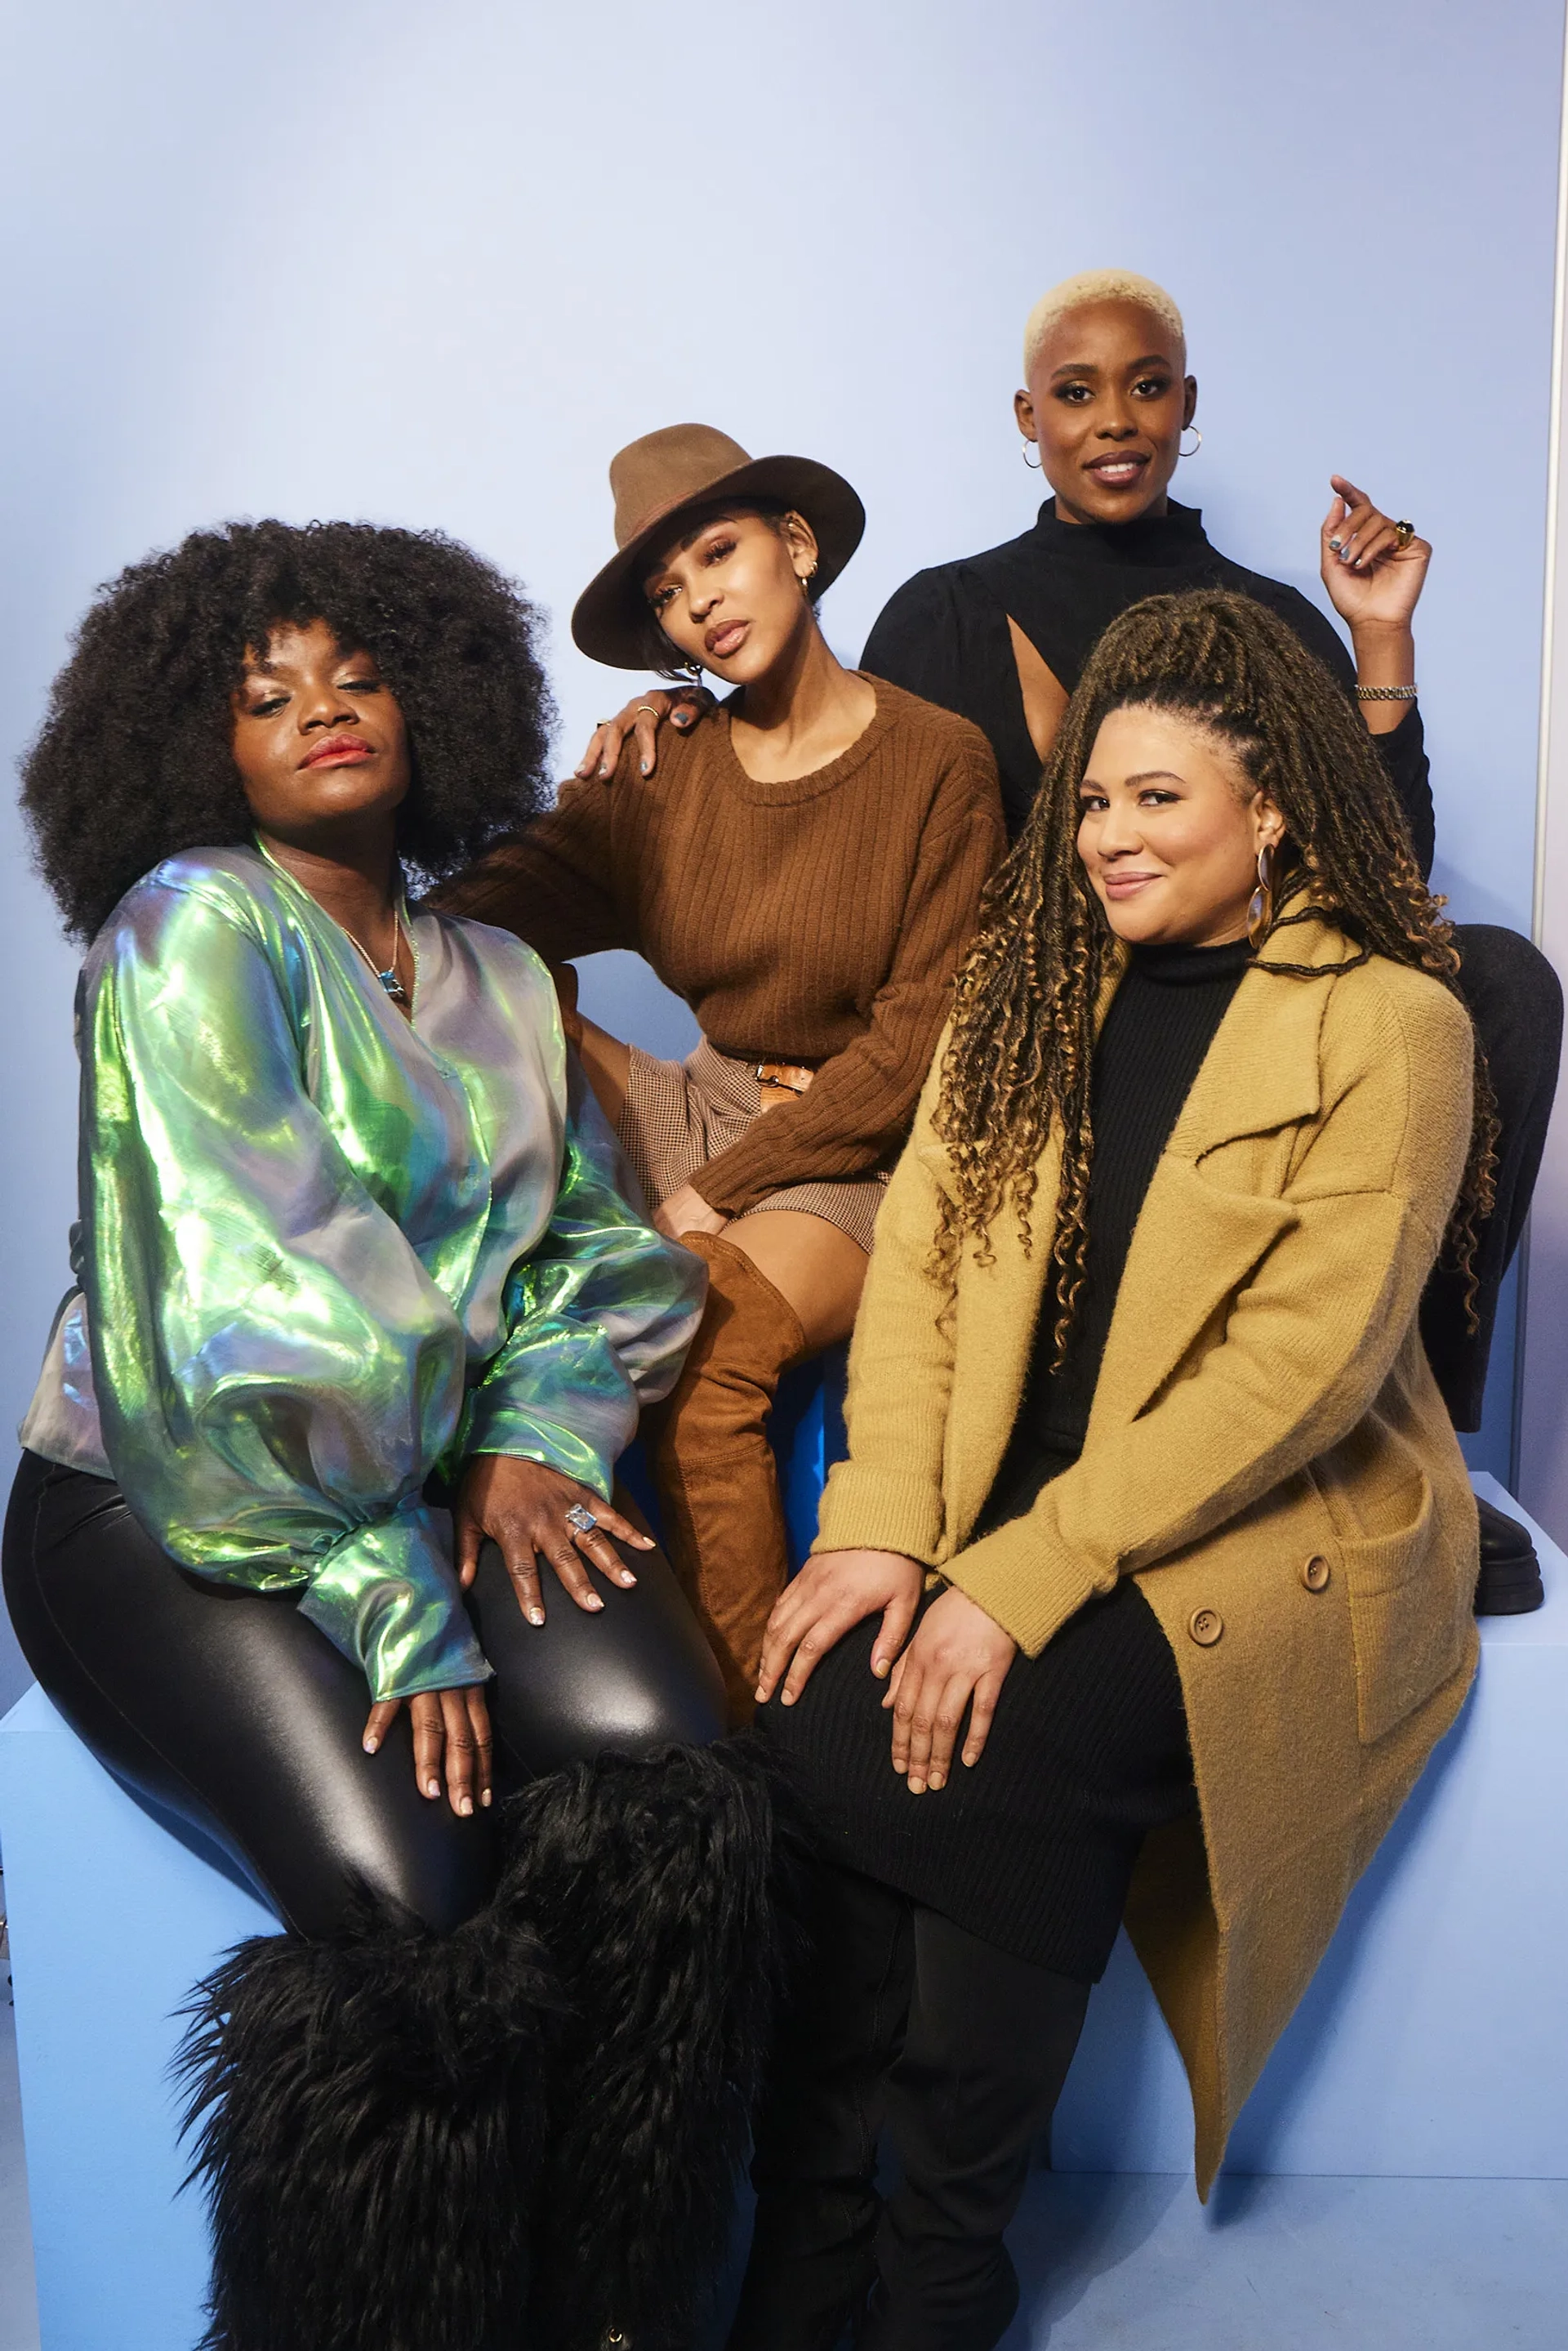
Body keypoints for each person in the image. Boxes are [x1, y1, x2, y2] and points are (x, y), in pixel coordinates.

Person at [5, 520, 782, 2351]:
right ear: (203, 747)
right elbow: (231, 1313)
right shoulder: (184, 928)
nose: (324, 712)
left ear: (435, 704)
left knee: (675, 1779)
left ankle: (616, 2302)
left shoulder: (506, 981)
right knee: (413, 1896)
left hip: (429, 1478)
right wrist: (391, 1578)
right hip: (166, 1498)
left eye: (358, 674)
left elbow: (604, 1255)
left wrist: (537, 1435)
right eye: (265, 693)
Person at [732, 588, 1490, 2351]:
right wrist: (889, 1533)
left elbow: (1299, 1372)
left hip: (1253, 1516)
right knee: (820, 1704)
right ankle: (812, 2229)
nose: (1107, 835)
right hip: (1018, 1491)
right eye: (1089, 801)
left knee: (1013, 1738)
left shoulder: (1395, 1023)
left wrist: (1020, 1573)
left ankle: (941, 2263)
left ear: (1272, 807)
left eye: (1157, 798)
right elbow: (915, 1279)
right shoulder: (1030, 986)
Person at [589, 274, 1559, 1610]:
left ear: (1186, 406)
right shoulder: (941, 611)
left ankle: (1423, 1453)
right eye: (1078, 392)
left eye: (1148, 385)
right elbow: (846, 800)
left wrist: (1377, 638)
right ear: (1027, 418)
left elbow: (1378, 873)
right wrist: (690, 708)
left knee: (1501, 980)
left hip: (1248, 1000)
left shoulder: (1266, 619)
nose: (1117, 419)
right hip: (1043, 1022)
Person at [435, 425, 1004, 1718]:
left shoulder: (939, 762)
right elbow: (462, 925)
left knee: (706, 1356)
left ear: (796, 549)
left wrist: (715, 1190)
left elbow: (917, 1051)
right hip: (708, 1102)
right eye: (667, 590)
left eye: (719, 551)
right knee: (500, 991)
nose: (698, 598)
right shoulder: (666, 765)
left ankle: (765, 1742)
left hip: (860, 1151)